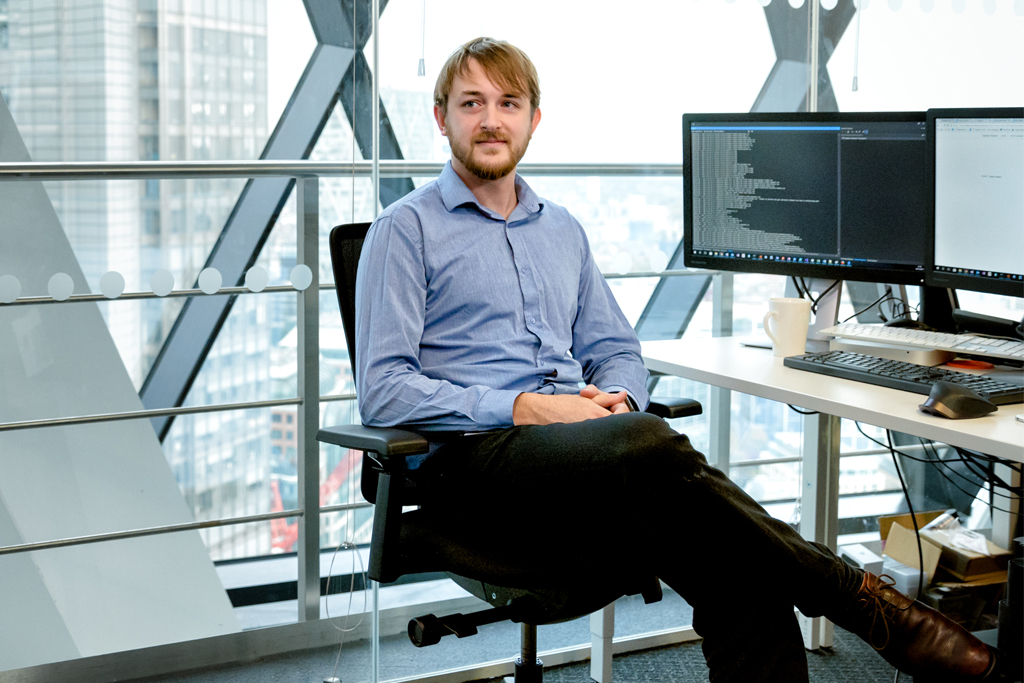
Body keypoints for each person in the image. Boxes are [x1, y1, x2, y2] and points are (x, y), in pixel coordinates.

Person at [355, 37, 1006, 683]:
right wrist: (527, 408)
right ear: (442, 118)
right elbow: (383, 390)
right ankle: (856, 597)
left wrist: (618, 400)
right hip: (474, 465)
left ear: (533, 119)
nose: (491, 119)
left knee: (741, 571)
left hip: (579, 459)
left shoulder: (561, 230)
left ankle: (859, 602)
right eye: (471, 103)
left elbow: (614, 348)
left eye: (508, 102)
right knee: (649, 444)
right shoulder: (405, 229)